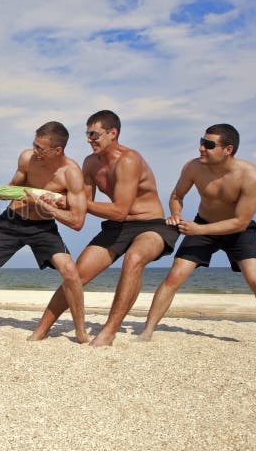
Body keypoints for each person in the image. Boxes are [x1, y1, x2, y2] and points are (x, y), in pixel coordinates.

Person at [138, 124, 256, 349]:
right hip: (203, 225)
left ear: (228, 149)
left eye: (209, 144)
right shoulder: (194, 167)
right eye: (201, 141)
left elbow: (241, 221)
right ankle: (147, 331)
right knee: (174, 277)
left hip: (237, 232)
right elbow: (177, 195)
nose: (201, 148)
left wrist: (198, 230)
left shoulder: (251, 176)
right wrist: (176, 213)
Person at [27, 110, 179, 347]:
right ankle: (42, 328)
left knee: (134, 258)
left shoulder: (129, 160)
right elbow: (83, 206)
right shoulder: (90, 163)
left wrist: (72, 201)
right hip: (117, 227)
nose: (89, 139)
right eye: (87, 134)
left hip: (151, 225)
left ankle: (109, 331)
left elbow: (118, 209)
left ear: (113, 133)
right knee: (76, 275)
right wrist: (58, 201)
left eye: (94, 134)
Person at [0, 121, 89, 342]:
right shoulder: (27, 158)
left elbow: (77, 221)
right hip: (12, 221)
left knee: (70, 272)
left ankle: (80, 332)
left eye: (41, 148)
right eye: (34, 145)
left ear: (57, 150)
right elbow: (11, 190)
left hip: (43, 227)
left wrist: (46, 206)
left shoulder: (71, 174)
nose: (36, 152)